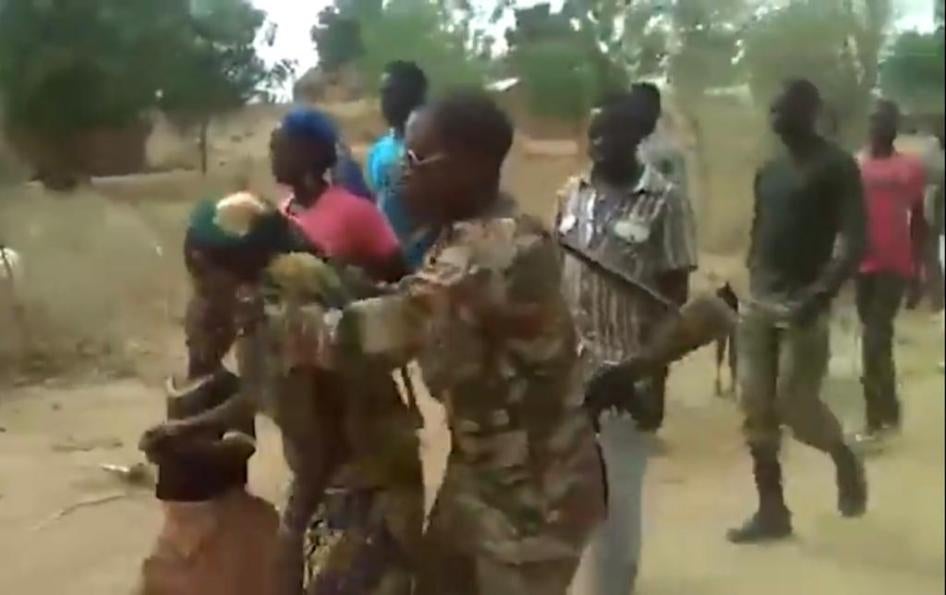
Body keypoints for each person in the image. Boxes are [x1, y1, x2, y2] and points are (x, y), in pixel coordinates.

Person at [268, 91, 606, 595]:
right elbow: (405, 293)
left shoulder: (490, 253)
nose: (402, 172)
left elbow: (383, 329)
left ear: (470, 164)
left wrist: (281, 320)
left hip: (535, 495)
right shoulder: (465, 236)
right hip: (484, 473)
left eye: (416, 159)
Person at [554, 92, 697, 594]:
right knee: (569, 501)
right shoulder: (571, 193)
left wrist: (653, 379)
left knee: (617, 508)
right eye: (592, 133)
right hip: (571, 376)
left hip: (625, 378)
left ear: (636, 136)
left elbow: (673, 302)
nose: (598, 143)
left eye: (609, 133)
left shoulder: (665, 200)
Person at [730, 79, 867, 544]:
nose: (774, 116)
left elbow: (853, 240)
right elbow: (759, 231)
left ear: (809, 111)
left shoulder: (836, 166)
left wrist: (820, 294)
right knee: (755, 408)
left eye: (783, 108)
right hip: (760, 301)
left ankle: (842, 455)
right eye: (772, 109)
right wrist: (749, 278)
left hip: (804, 302)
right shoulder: (769, 171)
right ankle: (772, 511)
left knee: (795, 403)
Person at [138, 369, 279, 595]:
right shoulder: (177, 384)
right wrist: (162, 450)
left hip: (220, 517)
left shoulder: (228, 385)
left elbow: (241, 448)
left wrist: (178, 448)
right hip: (181, 517)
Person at [852, 100, 927, 447]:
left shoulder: (909, 168)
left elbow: (919, 220)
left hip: (895, 263)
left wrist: (919, 271)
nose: (879, 126)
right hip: (861, 263)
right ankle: (890, 411)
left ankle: (875, 419)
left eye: (886, 121)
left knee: (874, 338)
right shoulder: (856, 165)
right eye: (874, 120)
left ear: (895, 127)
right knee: (876, 338)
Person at [629, 81, 698, 431]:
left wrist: (681, 260)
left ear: (655, 111)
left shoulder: (667, 153)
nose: (636, 113)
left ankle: (653, 404)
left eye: (643, 106)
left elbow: (679, 205)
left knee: (659, 329)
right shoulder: (625, 148)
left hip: (660, 256)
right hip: (630, 254)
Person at [366, 61, 436, 269]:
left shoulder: (437, 146)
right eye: (382, 94)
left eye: (391, 93)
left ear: (416, 96)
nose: (384, 102)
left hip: (432, 262)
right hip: (391, 264)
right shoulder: (379, 151)